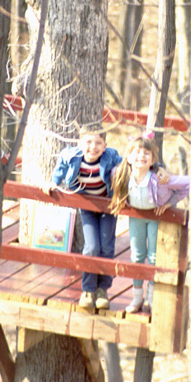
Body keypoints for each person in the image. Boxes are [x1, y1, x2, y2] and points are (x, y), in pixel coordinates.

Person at [41, 123, 123, 311]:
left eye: (98, 143)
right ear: (79, 143)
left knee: (106, 247)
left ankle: (102, 290)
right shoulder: (72, 155)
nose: (93, 147)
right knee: (92, 247)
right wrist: (54, 182)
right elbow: (61, 164)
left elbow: (131, 163)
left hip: (108, 207)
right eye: (88, 142)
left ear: (105, 145)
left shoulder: (111, 156)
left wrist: (157, 168)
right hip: (87, 207)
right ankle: (88, 290)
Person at [110, 133, 189, 313]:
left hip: (155, 218)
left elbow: (188, 184)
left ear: (153, 160)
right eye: (137, 152)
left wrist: (169, 203)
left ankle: (151, 298)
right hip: (136, 217)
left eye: (147, 153)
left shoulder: (159, 180)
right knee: (137, 256)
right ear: (128, 158)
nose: (141, 156)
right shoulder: (121, 175)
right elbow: (112, 177)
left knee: (153, 257)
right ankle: (136, 297)